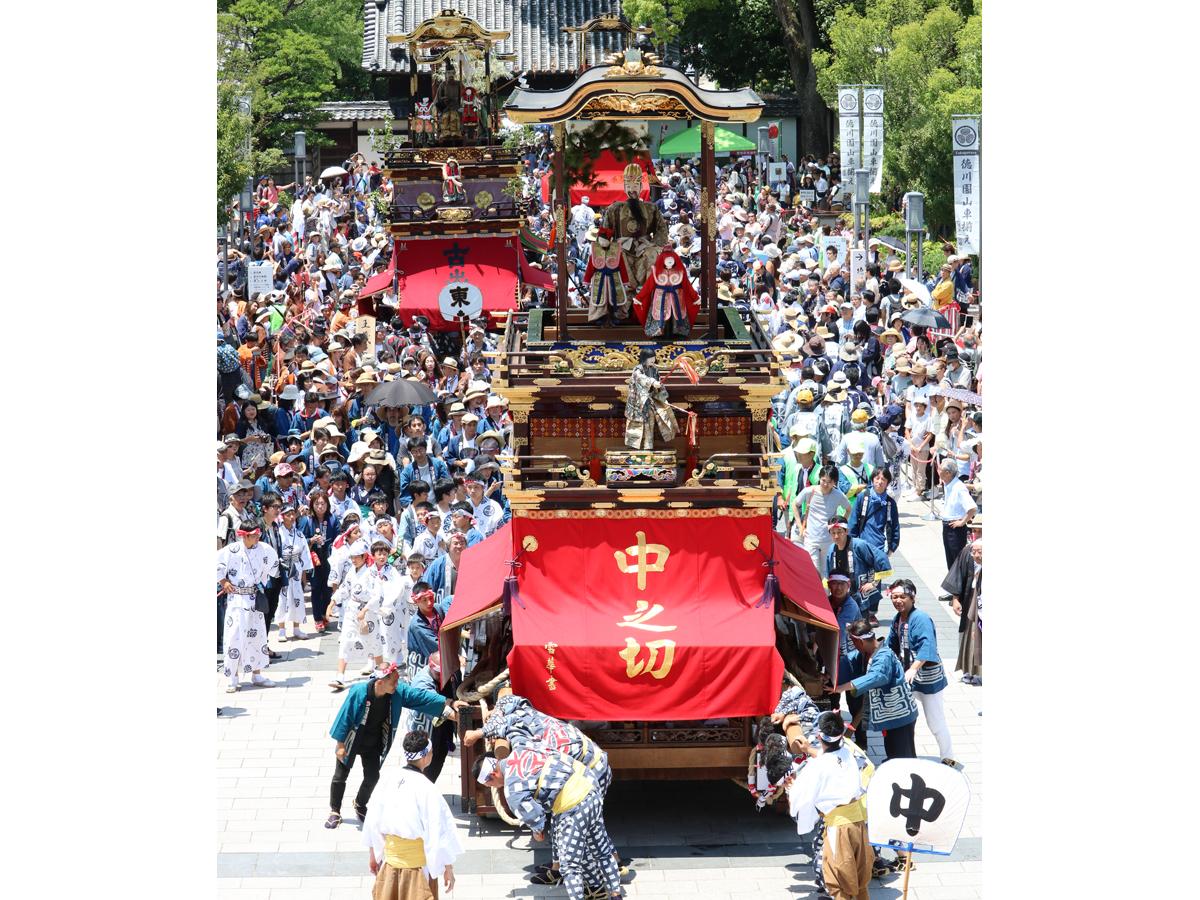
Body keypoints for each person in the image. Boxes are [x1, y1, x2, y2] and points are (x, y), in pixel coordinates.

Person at [478, 746, 622, 900]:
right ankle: (615, 895)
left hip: (573, 803)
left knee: (569, 866)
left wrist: (537, 831)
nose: (495, 787)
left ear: (493, 775)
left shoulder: (512, 788)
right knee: (602, 851)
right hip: (590, 786)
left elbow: (534, 815)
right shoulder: (521, 751)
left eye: (490, 785)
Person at [325, 663, 457, 829]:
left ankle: (360, 803)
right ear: (380, 682)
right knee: (340, 776)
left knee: (372, 777)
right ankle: (334, 810)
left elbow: (420, 697)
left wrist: (448, 702)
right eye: (393, 681)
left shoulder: (397, 692)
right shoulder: (359, 691)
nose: (397, 684)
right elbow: (345, 716)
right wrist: (340, 744)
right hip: (353, 737)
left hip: (374, 741)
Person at [362, 731, 462, 899]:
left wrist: (373, 854)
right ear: (425, 757)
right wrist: (448, 868)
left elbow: (373, 819)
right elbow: (439, 831)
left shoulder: (388, 779)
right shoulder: (427, 788)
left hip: (389, 867)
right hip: (418, 871)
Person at [786, 711, 875, 900]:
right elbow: (832, 759)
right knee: (860, 880)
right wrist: (810, 750)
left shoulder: (817, 766)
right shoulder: (850, 752)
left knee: (838, 880)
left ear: (819, 736)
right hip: (860, 824)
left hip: (839, 828)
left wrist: (791, 787)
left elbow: (799, 797)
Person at [886, 579, 955, 766]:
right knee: (904, 717)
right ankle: (906, 756)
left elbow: (927, 646)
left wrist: (914, 668)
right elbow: (890, 644)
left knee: (935, 721)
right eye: (894, 597)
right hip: (908, 676)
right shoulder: (898, 619)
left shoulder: (921, 618)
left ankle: (949, 758)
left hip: (926, 677)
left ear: (912, 597)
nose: (898, 600)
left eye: (902, 596)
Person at [831, 619, 919, 760]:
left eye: (854, 642)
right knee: (892, 752)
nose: (854, 646)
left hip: (900, 715)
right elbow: (847, 661)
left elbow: (877, 676)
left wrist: (841, 688)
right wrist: (830, 676)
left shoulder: (884, 655)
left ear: (860, 641)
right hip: (888, 714)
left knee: (904, 758)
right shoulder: (863, 654)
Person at [216, 518, 277, 693]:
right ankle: (232, 677)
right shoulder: (232, 550)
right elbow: (216, 564)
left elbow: (274, 566)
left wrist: (263, 580)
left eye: (258, 535)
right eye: (253, 536)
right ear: (243, 536)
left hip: (255, 598)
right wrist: (223, 581)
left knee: (257, 637)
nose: (257, 538)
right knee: (234, 637)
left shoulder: (265, 549)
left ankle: (257, 674)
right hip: (236, 599)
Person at [330, 540, 384, 691]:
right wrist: (332, 602)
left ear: (364, 556)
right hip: (352, 609)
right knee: (346, 640)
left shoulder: (372, 572)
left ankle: (381, 672)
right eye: (351, 557)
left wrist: (365, 611)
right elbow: (345, 588)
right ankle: (340, 676)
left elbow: (377, 595)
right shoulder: (352, 572)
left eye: (356, 557)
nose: (353, 560)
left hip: (368, 612)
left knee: (373, 643)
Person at [823, 516, 892, 627]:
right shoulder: (831, 549)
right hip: (841, 595)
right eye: (833, 533)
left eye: (839, 532)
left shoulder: (859, 545)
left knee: (861, 628)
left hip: (859, 594)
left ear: (846, 531)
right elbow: (828, 574)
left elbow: (882, 560)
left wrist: (873, 583)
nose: (836, 536)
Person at [795, 465, 851, 576]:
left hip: (829, 540)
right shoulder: (809, 491)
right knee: (813, 571)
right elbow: (795, 504)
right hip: (811, 539)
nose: (825, 484)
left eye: (829, 482)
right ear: (819, 478)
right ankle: (815, 593)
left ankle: (825, 593)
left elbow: (848, 509)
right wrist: (800, 526)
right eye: (823, 480)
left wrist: (838, 528)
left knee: (826, 572)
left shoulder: (838, 495)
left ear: (834, 482)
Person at [942, 536, 983, 685]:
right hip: (969, 598)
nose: (976, 555)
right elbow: (958, 575)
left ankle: (980, 672)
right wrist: (955, 598)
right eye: (974, 530)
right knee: (968, 636)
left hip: (981, 603)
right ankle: (967, 671)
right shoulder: (968, 551)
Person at [849, 468, 899, 559]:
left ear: (887, 483)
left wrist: (892, 548)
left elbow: (895, 526)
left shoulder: (890, 503)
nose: (880, 482)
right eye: (877, 478)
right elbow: (853, 521)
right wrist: (852, 543)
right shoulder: (863, 497)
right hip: (862, 546)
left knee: (879, 573)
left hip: (881, 549)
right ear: (872, 480)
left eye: (883, 479)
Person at [937, 458, 977, 569]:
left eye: (940, 469)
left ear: (948, 473)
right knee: (950, 562)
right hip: (947, 526)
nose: (938, 471)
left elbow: (972, 508)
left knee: (956, 563)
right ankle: (952, 585)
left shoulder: (959, 488)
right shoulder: (948, 484)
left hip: (955, 530)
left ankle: (958, 585)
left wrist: (962, 522)